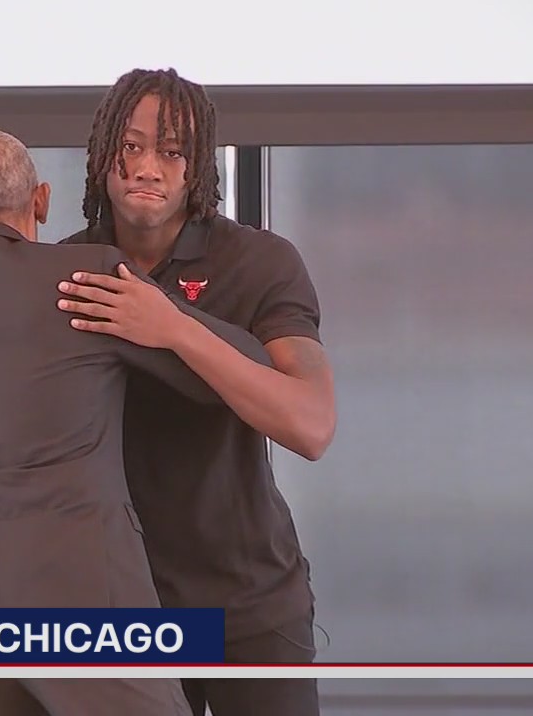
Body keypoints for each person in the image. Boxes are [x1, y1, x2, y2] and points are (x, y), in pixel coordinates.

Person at [0, 129, 273, 716]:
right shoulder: (88, 280)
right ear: (40, 201)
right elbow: (243, 370)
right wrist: (171, 322)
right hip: (87, 605)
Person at [56, 68, 337, 716]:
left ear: (196, 167)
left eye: (171, 150)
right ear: (103, 158)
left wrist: (172, 329)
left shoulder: (261, 263)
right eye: (131, 147)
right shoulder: (68, 271)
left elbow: (312, 425)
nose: (148, 166)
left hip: (251, 601)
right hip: (125, 611)